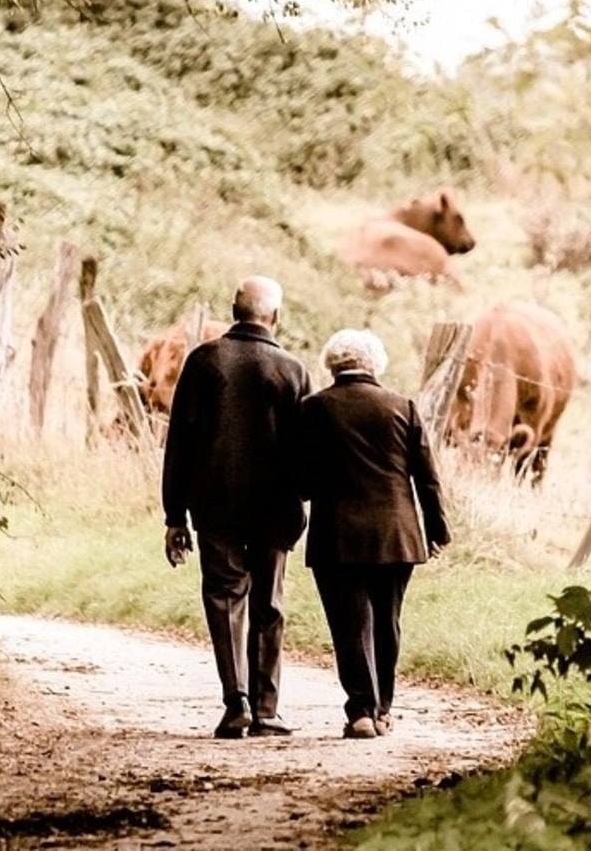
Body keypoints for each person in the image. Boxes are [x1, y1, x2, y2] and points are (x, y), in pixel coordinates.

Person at [161, 275, 313, 739]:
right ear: (276, 317)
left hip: (215, 505)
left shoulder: (204, 362)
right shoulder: (292, 370)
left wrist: (174, 516)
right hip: (275, 508)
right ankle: (268, 710)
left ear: (233, 310)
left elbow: (179, 444)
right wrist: (303, 498)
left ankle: (236, 703)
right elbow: (305, 449)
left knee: (225, 599)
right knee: (269, 603)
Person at [297, 329, 449, 739]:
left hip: (337, 536)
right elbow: (427, 478)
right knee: (387, 621)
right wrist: (437, 530)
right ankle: (382, 709)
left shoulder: (313, 409)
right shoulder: (403, 407)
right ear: (375, 364)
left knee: (349, 625)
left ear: (332, 363)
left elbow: (303, 480)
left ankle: (360, 711)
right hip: (396, 533)